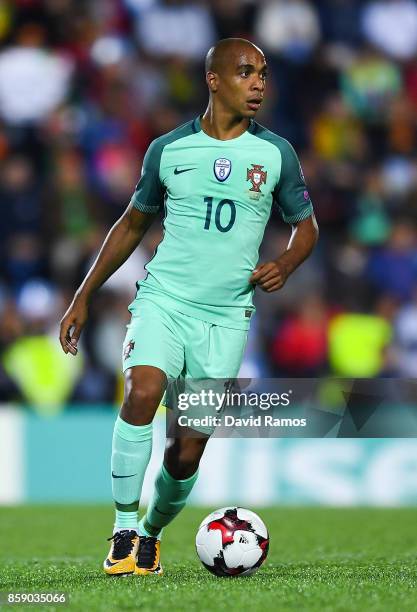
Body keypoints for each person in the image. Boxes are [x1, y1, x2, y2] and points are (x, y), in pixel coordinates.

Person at [59, 38, 318, 577]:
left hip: (226, 320)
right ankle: (124, 528)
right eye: (247, 73)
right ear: (214, 79)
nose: (259, 84)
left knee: (186, 453)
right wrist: (82, 295)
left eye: (264, 74)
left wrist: (287, 264)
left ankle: (151, 532)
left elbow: (306, 227)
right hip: (164, 301)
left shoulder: (276, 154)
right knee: (144, 390)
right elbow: (132, 223)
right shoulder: (168, 150)